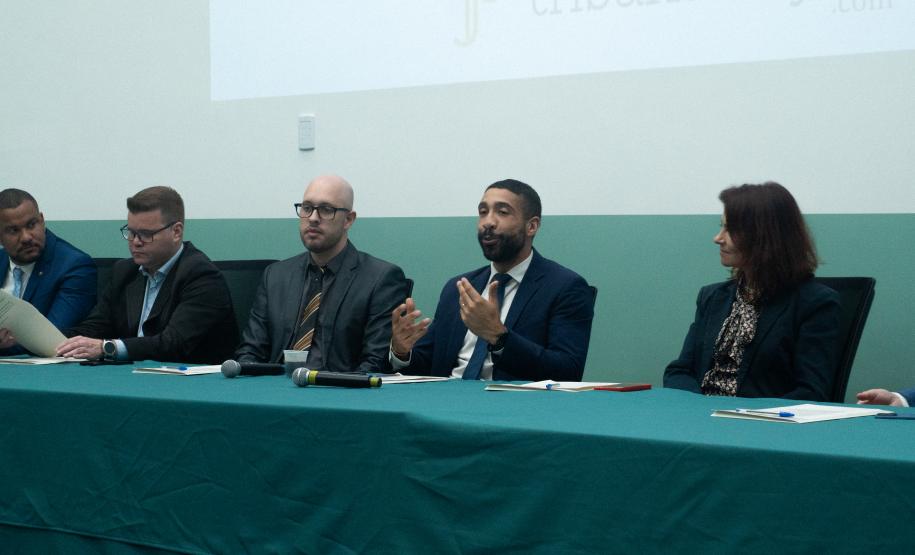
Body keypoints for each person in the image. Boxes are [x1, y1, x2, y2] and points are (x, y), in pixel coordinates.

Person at [389, 179, 594, 381]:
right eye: (483, 212)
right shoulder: (459, 288)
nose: (488, 222)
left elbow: (567, 372)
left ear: (532, 226)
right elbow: (429, 365)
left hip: (513, 408)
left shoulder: (565, 287)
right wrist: (402, 351)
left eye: (502, 212)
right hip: (448, 400)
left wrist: (499, 337)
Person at [664, 182, 840, 401]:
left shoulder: (815, 304)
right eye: (721, 227)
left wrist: (743, 415)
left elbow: (811, 392)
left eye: (730, 230)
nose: (718, 238)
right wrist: (699, 408)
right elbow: (679, 372)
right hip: (700, 422)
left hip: (762, 427)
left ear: (765, 235)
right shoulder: (712, 298)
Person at [234, 175, 407, 373]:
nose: (313, 218)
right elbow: (250, 351)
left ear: (348, 220)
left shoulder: (380, 279)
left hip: (338, 393)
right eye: (307, 208)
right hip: (275, 390)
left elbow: (374, 364)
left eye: (326, 210)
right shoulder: (275, 276)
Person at [56, 186, 237, 363]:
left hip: (189, 383)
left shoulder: (202, 276)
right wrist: (52, 341)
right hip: (134, 377)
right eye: (132, 232)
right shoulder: (124, 271)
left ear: (176, 232)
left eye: (145, 234)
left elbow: (173, 343)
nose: (135, 242)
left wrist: (108, 348)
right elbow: (95, 328)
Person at [0, 188, 96, 354]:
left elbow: (53, 340)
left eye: (32, 225)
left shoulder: (75, 266)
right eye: (14, 230)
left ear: (42, 221)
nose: (26, 237)